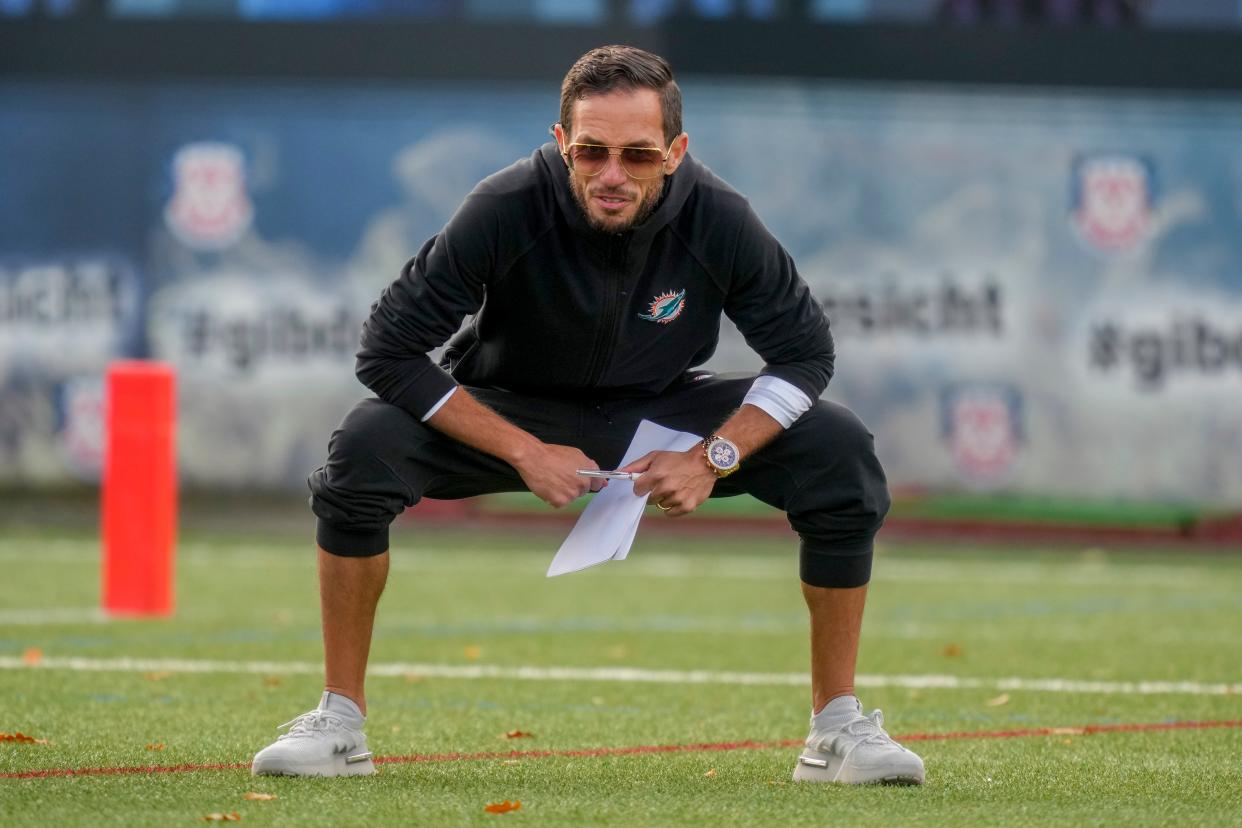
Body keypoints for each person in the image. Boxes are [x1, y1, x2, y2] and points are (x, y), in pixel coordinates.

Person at [251, 44, 925, 785]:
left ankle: (836, 732)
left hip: (664, 412)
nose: (611, 176)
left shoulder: (721, 218)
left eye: (637, 157)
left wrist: (711, 458)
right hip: (515, 406)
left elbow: (805, 356)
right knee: (364, 445)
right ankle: (339, 724)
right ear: (561, 141)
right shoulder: (503, 207)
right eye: (592, 152)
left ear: (675, 151)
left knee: (839, 447)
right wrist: (520, 448)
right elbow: (387, 352)